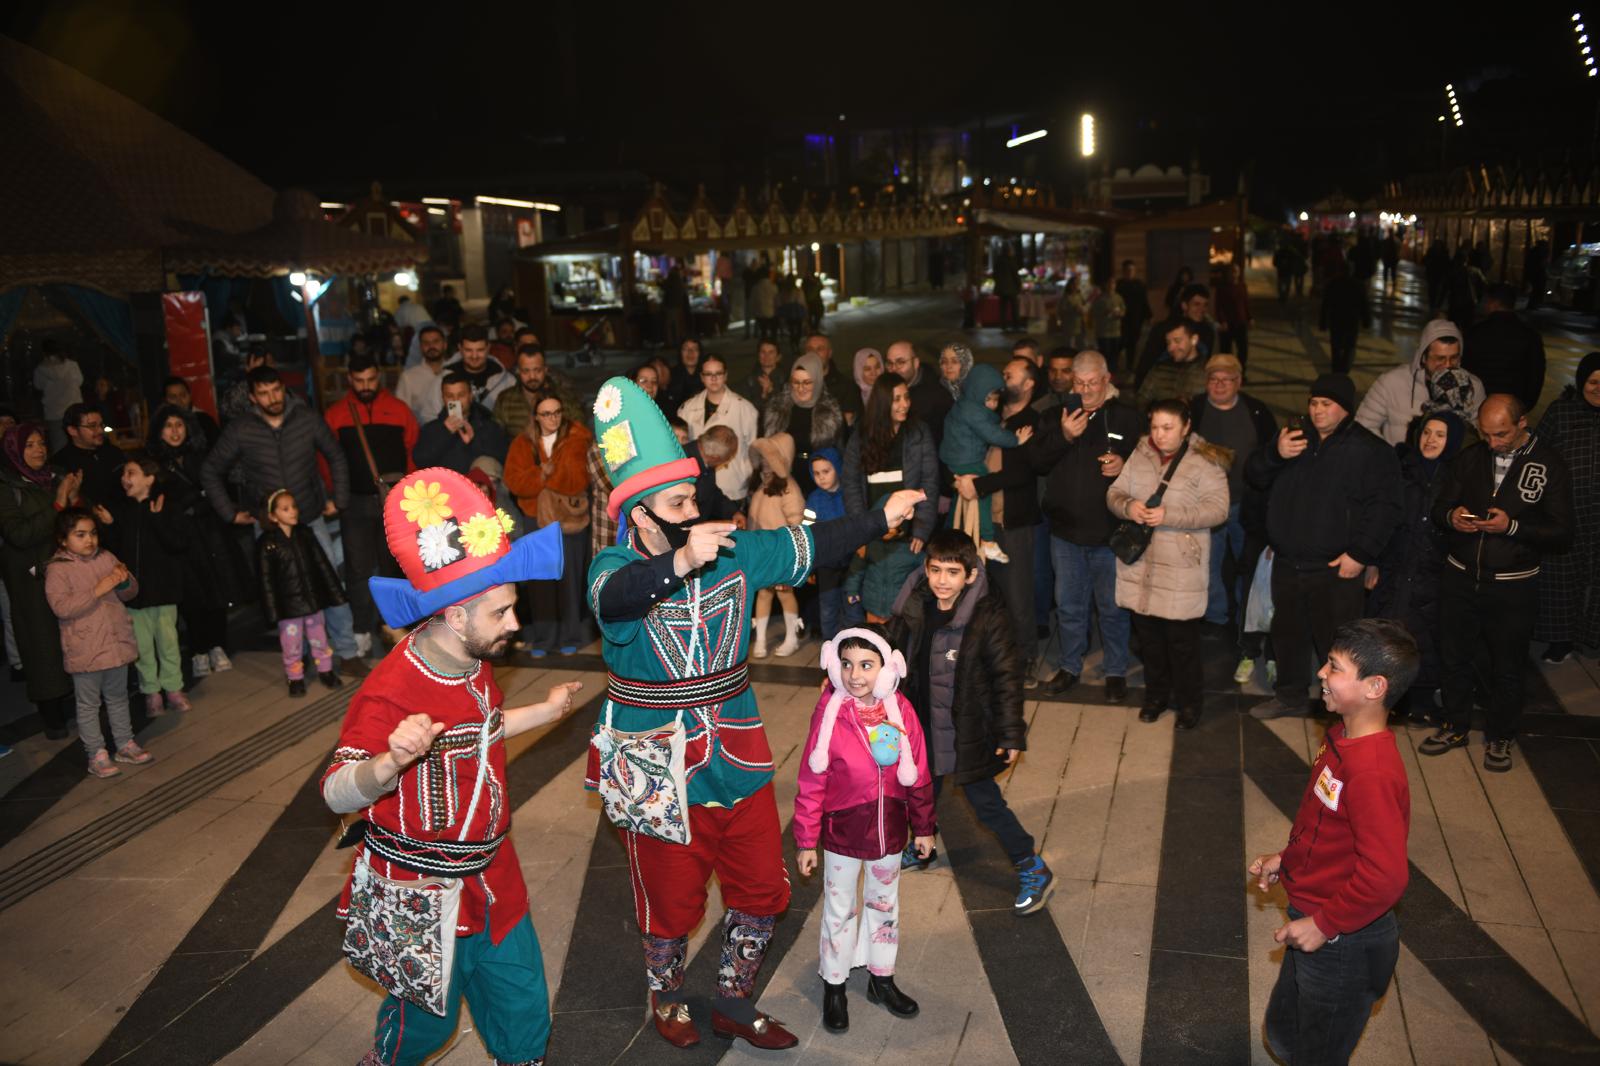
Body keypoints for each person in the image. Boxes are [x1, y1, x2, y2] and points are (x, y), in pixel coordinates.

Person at [585, 377, 924, 1051]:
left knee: (760, 889)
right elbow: (614, 601)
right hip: (656, 770)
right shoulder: (614, 562)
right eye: (680, 501)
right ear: (645, 516)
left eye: (694, 496)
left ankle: (736, 1001)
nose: (698, 506)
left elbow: (811, 545)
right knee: (670, 898)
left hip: (734, 756)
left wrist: (877, 520)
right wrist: (680, 560)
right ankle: (669, 995)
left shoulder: (731, 555)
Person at [324, 468, 572, 1066]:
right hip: (420, 889)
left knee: (523, 1010)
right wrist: (392, 760)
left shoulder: (471, 658)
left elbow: (480, 731)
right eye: (501, 614)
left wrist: (545, 711)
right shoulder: (390, 688)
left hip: (493, 871)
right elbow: (335, 792)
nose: (514, 624)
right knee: (423, 1032)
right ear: (456, 616)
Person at [1248, 619, 1419, 1066]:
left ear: (1374, 686)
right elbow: (1326, 822)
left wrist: (1324, 925)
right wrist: (1286, 859)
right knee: (1284, 1034)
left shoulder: (1372, 771)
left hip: (1345, 940)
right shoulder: (1341, 735)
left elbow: (1385, 877)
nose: (1322, 673)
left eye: (1335, 667)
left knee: (1316, 1053)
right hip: (1314, 911)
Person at [885, 530, 1052, 911]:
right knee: (919, 790)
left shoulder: (987, 617)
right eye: (935, 570)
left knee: (985, 803)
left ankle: (1031, 865)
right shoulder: (915, 605)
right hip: (923, 722)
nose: (942, 580)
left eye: (952, 572)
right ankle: (922, 845)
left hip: (969, 730)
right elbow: (888, 645)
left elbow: (1006, 676)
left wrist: (1010, 733)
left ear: (971, 575)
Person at [1420, 395, 1574, 771]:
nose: (1492, 443)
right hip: (1460, 575)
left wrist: (1513, 527)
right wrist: (1451, 515)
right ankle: (1454, 725)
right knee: (1454, 656)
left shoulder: (1549, 464)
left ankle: (1500, 736)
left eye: (1500, 434)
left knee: (1506, 665)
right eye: (1485, 434)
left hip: (1512, 584)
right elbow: (1438, 506)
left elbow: (1563, 534)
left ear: (1523, 422)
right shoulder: (1471, 458)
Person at [794, 626, 935, 1033]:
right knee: (840, 910)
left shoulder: (900, 710)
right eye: (848, 664)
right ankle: (834, 986)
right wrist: (806, 839)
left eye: (867, 665)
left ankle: (881, 978)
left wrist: (923, 827)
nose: (856, 675)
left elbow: (919, 773)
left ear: (888, 669)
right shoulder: (829, 713)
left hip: (889, 832)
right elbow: (811, 777)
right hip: (841, 833)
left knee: (884, 906)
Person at [1245, 374, 1402, 720]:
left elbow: (1385, 508)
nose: (1317, 411)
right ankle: (1289, 696)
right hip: (1288, 562)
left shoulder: (1370, 451)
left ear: (1345, 409)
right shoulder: (1294, 439)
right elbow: (1254, 476)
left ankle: (1342, 705)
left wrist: (1361, 554)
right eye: (1313, 403)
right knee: (1287, 635)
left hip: (1336, 566)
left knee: (1338, 644)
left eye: (1326, 404)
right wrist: (1275, 453)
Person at [201, 364, 360, 669]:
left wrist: (337, 499)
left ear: (283, 389)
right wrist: (230, 513)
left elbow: (336, 456)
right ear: (252, 397)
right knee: (281, 592)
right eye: (263, 393)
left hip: (310, 517)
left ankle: (348, 652)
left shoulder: (307, 419)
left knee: (330, 585)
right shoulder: (241, 429)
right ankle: (297, 660)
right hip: (270, 526)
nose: (272, 397)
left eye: (276, 390)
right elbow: (210, 471)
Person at [1106, 399, 1231, 728]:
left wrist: (1169, 516)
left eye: (1168, 428)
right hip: (1142, 566)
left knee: (1182, 644)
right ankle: (1155, 697)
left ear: (1186, 427)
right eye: (1155, 427)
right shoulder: (1139, 453)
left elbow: (1218, 510)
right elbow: (1114, 493)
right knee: (1149, 642)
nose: (1159, 435)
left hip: (1180, 566)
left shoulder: (1206, 460)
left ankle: (1190, 703)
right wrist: (1129, 506)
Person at [1033, 351, 1141, 700]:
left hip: (1110, 534)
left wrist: (1125, 465)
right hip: (1065, 533)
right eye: (1080, 383)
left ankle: (1115, 670)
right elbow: (1036, 461)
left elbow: (1149, 465)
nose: (1087, 389)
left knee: (1112, 607)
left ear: (1107, 379)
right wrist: (1063, 436)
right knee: (1069, 606)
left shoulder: (1127, 417)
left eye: (1093, 382)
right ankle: (1069, 666)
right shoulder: (1056, 416)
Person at [1367, 412, 1465, 714]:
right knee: (1389, 635)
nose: (1430, 440)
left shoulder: (1458, 476)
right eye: (1426, 432)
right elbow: (1381, 519)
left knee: (1427, 638)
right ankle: (1388, 699)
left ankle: (1421, 700)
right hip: (1396, 568)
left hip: (1433, 574)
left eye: (1439, 434)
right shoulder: (1401, 469)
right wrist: (1372, 562)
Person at [43, 508, 153, 777]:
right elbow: (62, 608)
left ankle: (124, 743)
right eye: (80, 535)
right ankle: (96, 753)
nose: (89, 540)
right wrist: (97, 590)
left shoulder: (106, 557)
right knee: (89, 704)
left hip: (115, 644)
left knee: (117, 697)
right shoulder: (58, 569)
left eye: (92, 533)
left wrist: (124, 580)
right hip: (86, 649)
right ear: (62, 539)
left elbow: (130, 593)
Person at [1187, 355, 1277, 675]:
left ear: (1239, 382)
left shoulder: (1256, 411)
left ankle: (1244, 618)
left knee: (1247, 565)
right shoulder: (1194, 409)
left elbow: (1272, 454)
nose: (1220, 385)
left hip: (1245, 504)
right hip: (1205, 505)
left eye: (1227, 379)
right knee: (1207, 564)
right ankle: (1216, 616)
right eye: (1214, 379)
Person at [325, 354, 418, 657]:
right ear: (350, 379)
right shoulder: (337, 415)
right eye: (359, 381)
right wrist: (335, 494)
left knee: (394, 567)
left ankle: (394, 626)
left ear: (379, 377)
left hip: (394, 503)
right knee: (358, 569)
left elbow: (412, 454)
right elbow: (328, 462)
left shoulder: (399, 411)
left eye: (371, 380)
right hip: (353, 502)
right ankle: (363, 628)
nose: (366, 386)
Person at [955, 357, 1044, 666]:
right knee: (985, 594)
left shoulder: (1030, 420)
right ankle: (995, 655)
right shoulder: (990, 415)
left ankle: (1027, 658)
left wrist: (978, 485)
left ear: (1029, 383)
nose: (1002, 379)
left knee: (1017, 596)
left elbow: (1021, 473)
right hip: (981, 520)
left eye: (1009, 374)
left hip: (1012, 522)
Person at [146, 404, 246, 676]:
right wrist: (196, 500)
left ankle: (218, 646)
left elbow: (215, 492)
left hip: (210, 534)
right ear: (159, 431)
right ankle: (199, 649)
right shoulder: (154, 465)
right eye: (168, 426)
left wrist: (197, 503)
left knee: (217, 591)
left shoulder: (201, 456)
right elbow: (164, 504)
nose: (175, 431)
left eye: (179, 425)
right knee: (192, 596)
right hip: (181, 540)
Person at [96, 456, 192, 717]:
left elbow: (178, 543)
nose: (125, 478)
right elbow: (117, 550)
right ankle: (151, 691)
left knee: (168, 642)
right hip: (135, 594)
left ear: (149, 478)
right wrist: (109, 526)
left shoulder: (167, 506)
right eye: (124, 473)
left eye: (131, 472)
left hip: (163, 591)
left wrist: (158, 519)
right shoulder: (123, 510)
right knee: (141, 646)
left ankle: (173, 688)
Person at [841, 373, 940, 624]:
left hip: (907, 536)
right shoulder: (861, 435)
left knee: (905, 604)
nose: (904, 404)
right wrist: (860, 529)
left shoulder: (918, 432)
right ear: (883, 402)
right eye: (896, 399)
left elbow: (929, 482)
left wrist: (921, 528)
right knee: (874, 597)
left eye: (906, 397)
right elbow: (851, 483)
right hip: (873, 531)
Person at [1, 423, 79, 736]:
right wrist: (58, 503)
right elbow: (19, 535)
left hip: (66, 570)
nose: (39, 450)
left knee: (73, 636)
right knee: (41, 645)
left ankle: (79, 699)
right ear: (14, 451)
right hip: (30, 578)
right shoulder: (7, 487)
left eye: (41, 443)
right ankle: (52, 716)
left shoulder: (56, 476)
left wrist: (74, 498)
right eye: (29, 445)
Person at [503, 392, 593, 656]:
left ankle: (571, 636)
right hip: (535, 519)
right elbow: (514, 481)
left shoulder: (577, 439)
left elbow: (575, 480)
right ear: (536, 417)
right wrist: (542, 473)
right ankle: (544, 638)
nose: (553, 418)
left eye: (557, 412)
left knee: (570, 580)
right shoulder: (522, 443)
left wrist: (544, 478)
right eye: (546, 414)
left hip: (568, 520)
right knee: (540, 581)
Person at [1534, 353, 1600, 662]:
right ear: (1581, 381)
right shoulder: (1562, 412)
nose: (1598, 389)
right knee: (1561, 580)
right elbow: (1537, 452)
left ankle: (1593, 637)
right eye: (1593, 382)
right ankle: (1561, 640)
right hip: (1566, 512)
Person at [940, 362, 1033, 562]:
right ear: (977, 394)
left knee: (959, 500)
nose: (992, 404)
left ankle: (947, 535)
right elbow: (993, 434)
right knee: (981, 491)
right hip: (968, 461)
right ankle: (988, 541)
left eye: (995, 400)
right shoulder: (974, 412)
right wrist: (1016, 440)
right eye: (988, 399)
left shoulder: (962, 406)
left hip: (953, 460)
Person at [257, 489, 345, 696]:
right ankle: (294, 677)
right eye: (285, 509)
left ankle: (326, 670)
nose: (293, 512)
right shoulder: (266, 544)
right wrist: (272, 610)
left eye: (294, 507)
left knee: (319, 639)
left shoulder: (305, 534)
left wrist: (334, 592)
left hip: (312, 600)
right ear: (272, 516)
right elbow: (265, 581)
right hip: (288, 608)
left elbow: (321, 564)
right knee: (291, 645)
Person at [1356, 319, 1485, 446]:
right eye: (1440, 358)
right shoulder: (1390, 382)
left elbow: (1480, 434)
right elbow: (1364, 425)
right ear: (1423, 357)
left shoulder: (1473, 386)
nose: (1447, 365)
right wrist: (1389, 458)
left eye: (1454, 358)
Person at [747, 434, 807, 658]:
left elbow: (796, 519)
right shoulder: (760, 486)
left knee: (785, 593)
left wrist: (791, 552)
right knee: (763, 594)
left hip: (782, 552)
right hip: (761, 551)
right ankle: (761, 639)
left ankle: (792, 638)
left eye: (769, 458)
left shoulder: (788, 488)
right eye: (761, 458)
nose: (764, 463)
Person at [679, 354, 758, 510]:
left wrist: (746, 472)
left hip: (732, 483)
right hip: (698, 484)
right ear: (702, 377)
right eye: (708, 374)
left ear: (726, 375)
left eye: (718, 373)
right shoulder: (687, 408)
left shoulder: (744, 408)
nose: (713, 379)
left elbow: (752, 446)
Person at [761, 351, 844, 497]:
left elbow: (841, 450)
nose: (800, 388)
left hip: (819, 479)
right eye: (796, 382)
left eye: (807, 382)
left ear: (817, 380)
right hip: (784, 478)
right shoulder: (777, 407)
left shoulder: (830, 410)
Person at [1465, 283, 1546, 411]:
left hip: (1478, 403)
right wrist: (1525, 405)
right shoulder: (1530, 336)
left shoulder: (1475, 333)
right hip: (1513, 405)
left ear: (1493, 303)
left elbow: (1465, 369)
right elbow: (1536, 376)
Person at [414, 372, 512, 477]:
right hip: (445, 488)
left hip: (478, 489)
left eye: (461, 395)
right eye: (450, 396)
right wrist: (444, 432)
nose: (456, 401)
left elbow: (503, 459)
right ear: (443, 398)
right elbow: (421, 461)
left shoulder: (489, 426)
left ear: (470, 396)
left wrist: (473, 441)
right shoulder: (431, 429)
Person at [805, 448, 848, 640]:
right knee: (828, 607)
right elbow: (807, 531)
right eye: (816, 473)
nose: (821, 477)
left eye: (826, 471)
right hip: (826, 563)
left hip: (851, 562)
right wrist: (810, 564)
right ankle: (830, 649)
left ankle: (852, 648)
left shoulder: (849, 495)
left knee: (851, 606)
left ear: (837, 469)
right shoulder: (814, 499)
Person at [51, 402, 124, 509]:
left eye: (101, 425)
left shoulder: (113, 452)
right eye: (92, 426)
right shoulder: (60, 464)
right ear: (72, 430)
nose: (100, 430)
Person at [884, 340, 954, 449]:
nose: (894, 369)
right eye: (890, 363)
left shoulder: (938, 396)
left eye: (901, 362)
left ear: (915, 363)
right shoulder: (883, 388)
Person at [493, 345, 565, 438]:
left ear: (545, 370)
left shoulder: (564, 398)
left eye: (537, 370)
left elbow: (578, 435)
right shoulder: (505, 400)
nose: (532, 377)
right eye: (526, 371)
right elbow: (495, 437)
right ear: (518, 371)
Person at [1138, 319, 1210, 410]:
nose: (1171, 348)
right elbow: (1141, 402)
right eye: (1168, 343)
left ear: (1194, 340)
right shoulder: (1160, 369)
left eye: (1177, 341)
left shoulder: (1209, 371)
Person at [443, 325, 515, 410]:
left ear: (488, 348)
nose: (474, 356)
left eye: (480, 350)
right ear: (460, 348)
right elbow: (432, 415)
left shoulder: (508, 381)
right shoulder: (443, 378)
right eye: (468, 350)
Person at [32, 340, 83, 453]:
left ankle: (62, 470)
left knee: (59, 446)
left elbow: (38, 385)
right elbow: (80, 381)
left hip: (54, 413)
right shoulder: (72, 365)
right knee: (80, 442)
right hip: (74, 409)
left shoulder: (41, 369)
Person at [395, 325, 450, 425]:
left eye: (436, 341)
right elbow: (401, 412)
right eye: (426, 343)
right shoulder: (408, 377)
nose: (431, 346)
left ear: (445, 345)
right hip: (421, 433)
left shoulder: (453, 372)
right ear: (420, 347)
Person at [1319, 262, 1366, 375]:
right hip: (1351, 320)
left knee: (1336, 346)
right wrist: (1366, 319)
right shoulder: (1357, 284)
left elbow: (1325, 305)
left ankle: (1336, 369)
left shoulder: (1333, 284)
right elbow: (1364, 304)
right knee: (1350, 346)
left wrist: (1323, 322)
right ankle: (1344, 368)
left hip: (1336, 320)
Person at [160, 375, 221, 448]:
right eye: (173, 397)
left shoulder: (204, 420)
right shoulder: (161, 424)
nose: (179, 401)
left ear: (189, 396)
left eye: (183, 395)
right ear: (165, 401)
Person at [1215, 262, 1252, 368]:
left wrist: (1250, 318)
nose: (1234, 274)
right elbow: (1219, 307)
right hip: (1228, 323)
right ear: (1228, 273)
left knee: (1243, 350)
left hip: (1240, 322)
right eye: (1232, 271)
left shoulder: (1242, 286)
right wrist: (1222, 321)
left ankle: (1241, 372)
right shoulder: (1222, 288)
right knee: (1226, 350)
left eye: (1236, 271)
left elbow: (1246, 303)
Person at [1115, 260, 1151, 367]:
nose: (1129, 272)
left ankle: (1129, 366)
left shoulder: (1140, 285)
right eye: (1127, 270)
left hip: (1136, 319)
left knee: (1133, 343)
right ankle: (1114, 365)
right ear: (1123, 271)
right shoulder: (1119, 285)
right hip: (1122, 319)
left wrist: (1148, 316)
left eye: (1131, 270)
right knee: (1120, 342)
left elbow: (1144, 301)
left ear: (1135, 271)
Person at [1089, 280, 1126, 371]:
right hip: (1103, 331)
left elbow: (1123, 310)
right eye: (1109, 284)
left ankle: (1114, 370)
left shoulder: (1118, 297)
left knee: (1115, 353)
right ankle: (1105, 371)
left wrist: (1120, 314)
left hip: (1116, 331)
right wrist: (1104, 313)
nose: (1111, 286)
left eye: (1113, 284)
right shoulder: (1100, 299)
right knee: (1105, 353)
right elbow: (1093, 312)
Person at [738, 339, 785, 408]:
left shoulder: (786, 380)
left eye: (771, 352)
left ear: (778, 357)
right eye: (763, 352)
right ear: (758, 355)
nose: (766, 356)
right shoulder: (749, 380)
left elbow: (785, 407)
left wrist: (771, 390)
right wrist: (763, 395)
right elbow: (745, 408)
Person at [852, 347, 883, 417]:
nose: (874, 373)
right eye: (867, 369)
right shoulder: (853, 396)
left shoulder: (891, 390)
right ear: (859, 371)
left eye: (877, 367)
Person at [1058, 275, 1088, 348]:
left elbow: (1085, 305)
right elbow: (1061, 310)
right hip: (1069, 325)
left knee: (1081, 345)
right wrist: (1073, 309)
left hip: (1080, 325)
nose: (1075, 286)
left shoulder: (1079, 295)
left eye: (1077, 284)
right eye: (1074, 284)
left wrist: (1083, 310)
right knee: (1069, 346)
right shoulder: (1066, 297)